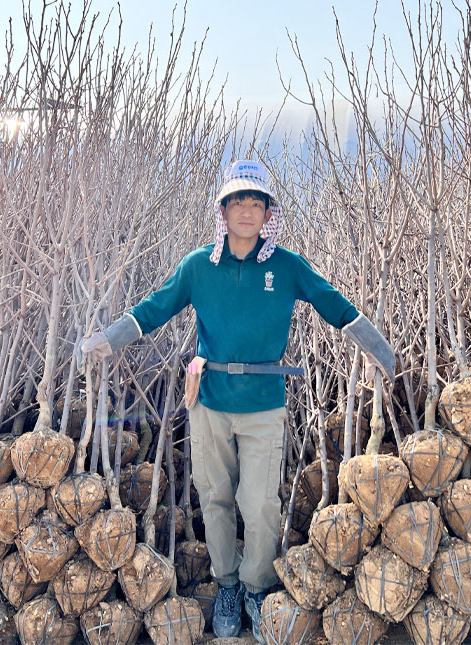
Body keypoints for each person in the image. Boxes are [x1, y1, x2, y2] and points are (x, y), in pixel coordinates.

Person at [81, 159, 394, 642]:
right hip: (209, 399)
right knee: (216, 496)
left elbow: (331, 301)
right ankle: (227, 584)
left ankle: (255, 585)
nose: (246, 211)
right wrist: (112, 336)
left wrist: (374, 343)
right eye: (237, 202)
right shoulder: (198, 267)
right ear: (222, 211)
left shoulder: (286, 266)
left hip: (264, 402)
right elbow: (156, 305)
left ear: (268, 213)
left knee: (260, 502)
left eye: (256, 203)